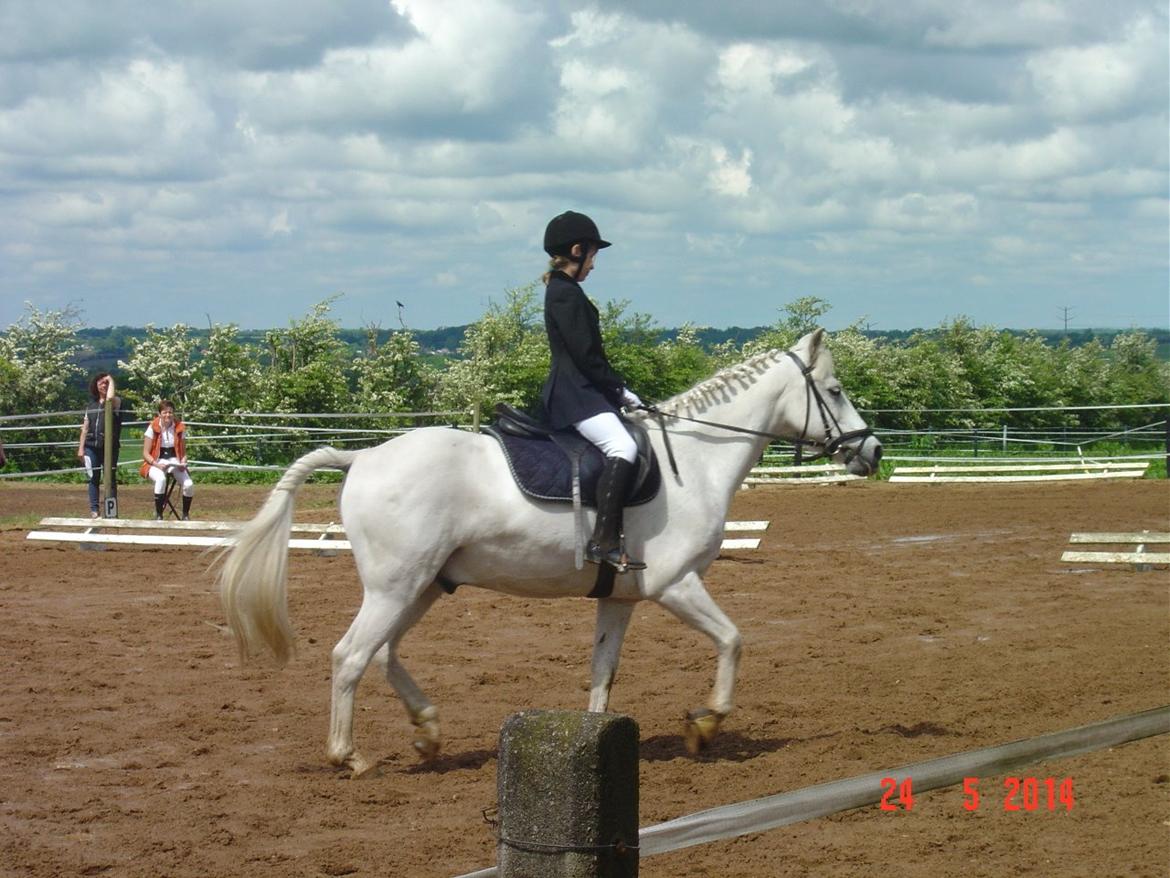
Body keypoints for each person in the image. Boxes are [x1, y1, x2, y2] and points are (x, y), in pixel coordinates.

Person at [540, 210, 647, 573]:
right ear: (576, 250)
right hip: (576, 394)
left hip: (582, 391)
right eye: (593, 255)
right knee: (624, 446)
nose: (594, 265)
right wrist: (620, 391)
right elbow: (587, 356)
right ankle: (602, 541)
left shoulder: (564, 290)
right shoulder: (565, 294)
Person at [77, 372, 127, 518]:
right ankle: (94, 510)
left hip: (110, 447)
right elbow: (85, 427)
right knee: (93, 477)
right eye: (101, 383)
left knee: (109, 478)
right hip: (91, 446)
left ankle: (111, 511)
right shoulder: (91, 405)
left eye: (106, 383)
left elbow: (110, 397)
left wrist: (111, 378)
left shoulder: (115, 402)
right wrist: (81, 448)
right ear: (96, 386)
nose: (104, 385)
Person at [140, 400, 195, 520]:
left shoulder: (180, 427)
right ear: (159, 414)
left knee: (189, 484)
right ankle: (159, 514)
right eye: (164, 412)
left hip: (174, 461)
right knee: (161, 479)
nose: (167, 415)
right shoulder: (152, 427)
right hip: (155, 462)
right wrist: (156, 464)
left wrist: (183, 463)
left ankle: (185, 514)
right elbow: (145, 453)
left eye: (170, 412)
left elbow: (184, 453)